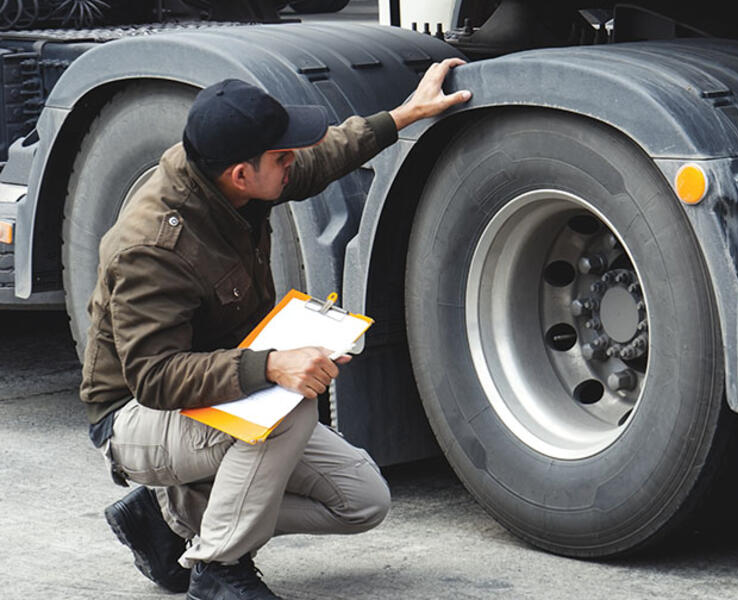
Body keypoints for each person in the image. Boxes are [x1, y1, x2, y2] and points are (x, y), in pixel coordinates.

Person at [79, 60, 471, 600]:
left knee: (361, 501)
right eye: (282, 158)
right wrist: (271, 366)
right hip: (136, 418)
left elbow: (324, 156)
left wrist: (405, 114)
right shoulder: (154, 247)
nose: (294, 165)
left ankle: (171, 515)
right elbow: (153, 376)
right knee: (290, 406)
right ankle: (218, 569)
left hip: (214, 394)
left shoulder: (227, 178)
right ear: (243, 174)